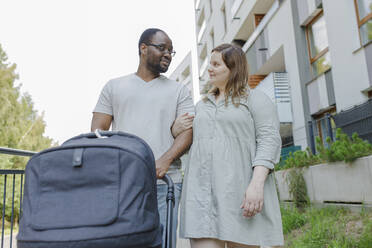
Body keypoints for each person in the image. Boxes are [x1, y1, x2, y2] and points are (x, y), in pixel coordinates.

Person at [91, 28, 194, 248]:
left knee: (162, 242)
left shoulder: (179, 91)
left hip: (165, 183)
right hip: (123, 183)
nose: (167, 54)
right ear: (143, 48)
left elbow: (187, 133)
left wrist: (164, 161)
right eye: (162, 48)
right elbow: (98, 132)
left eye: (171, 51)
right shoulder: (114, 86)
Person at [173, 44, 284, 248]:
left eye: (216, 64)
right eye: (210, 64)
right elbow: (190, 142)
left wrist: (256, 185)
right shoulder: (201, 105)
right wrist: (175, 128)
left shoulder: (256, 100)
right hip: (202, 197)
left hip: (241, 194)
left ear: (233, 68)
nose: (210, 69)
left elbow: (269, 141)